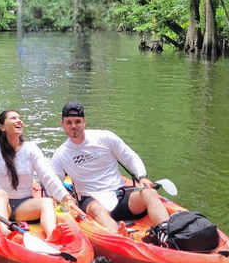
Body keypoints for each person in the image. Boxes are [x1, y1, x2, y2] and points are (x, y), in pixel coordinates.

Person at [50, 101, 170, 236]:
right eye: (69, 122)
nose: (73, 126)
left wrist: (142, 176)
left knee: (151, 193)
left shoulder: (105, 137)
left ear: (84, 122)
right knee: (97, 209)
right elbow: (54, 184)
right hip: (92, 199)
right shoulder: (60, 154)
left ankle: (169, 233)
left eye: (77, 122)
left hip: (119, 194)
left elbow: (131, 157)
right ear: (62, 124)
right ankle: (120, 237)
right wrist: (63, 198)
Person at [0, 109, 83, 242]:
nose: (19, 121)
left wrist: (66, 198)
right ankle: (5, 232)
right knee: (1, 194)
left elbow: (47, 176)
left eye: (19, 118)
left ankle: (51, 235)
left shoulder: (30, 148)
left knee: (48, 202)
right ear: (2, 127)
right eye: (13, 118)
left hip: (23, 206)